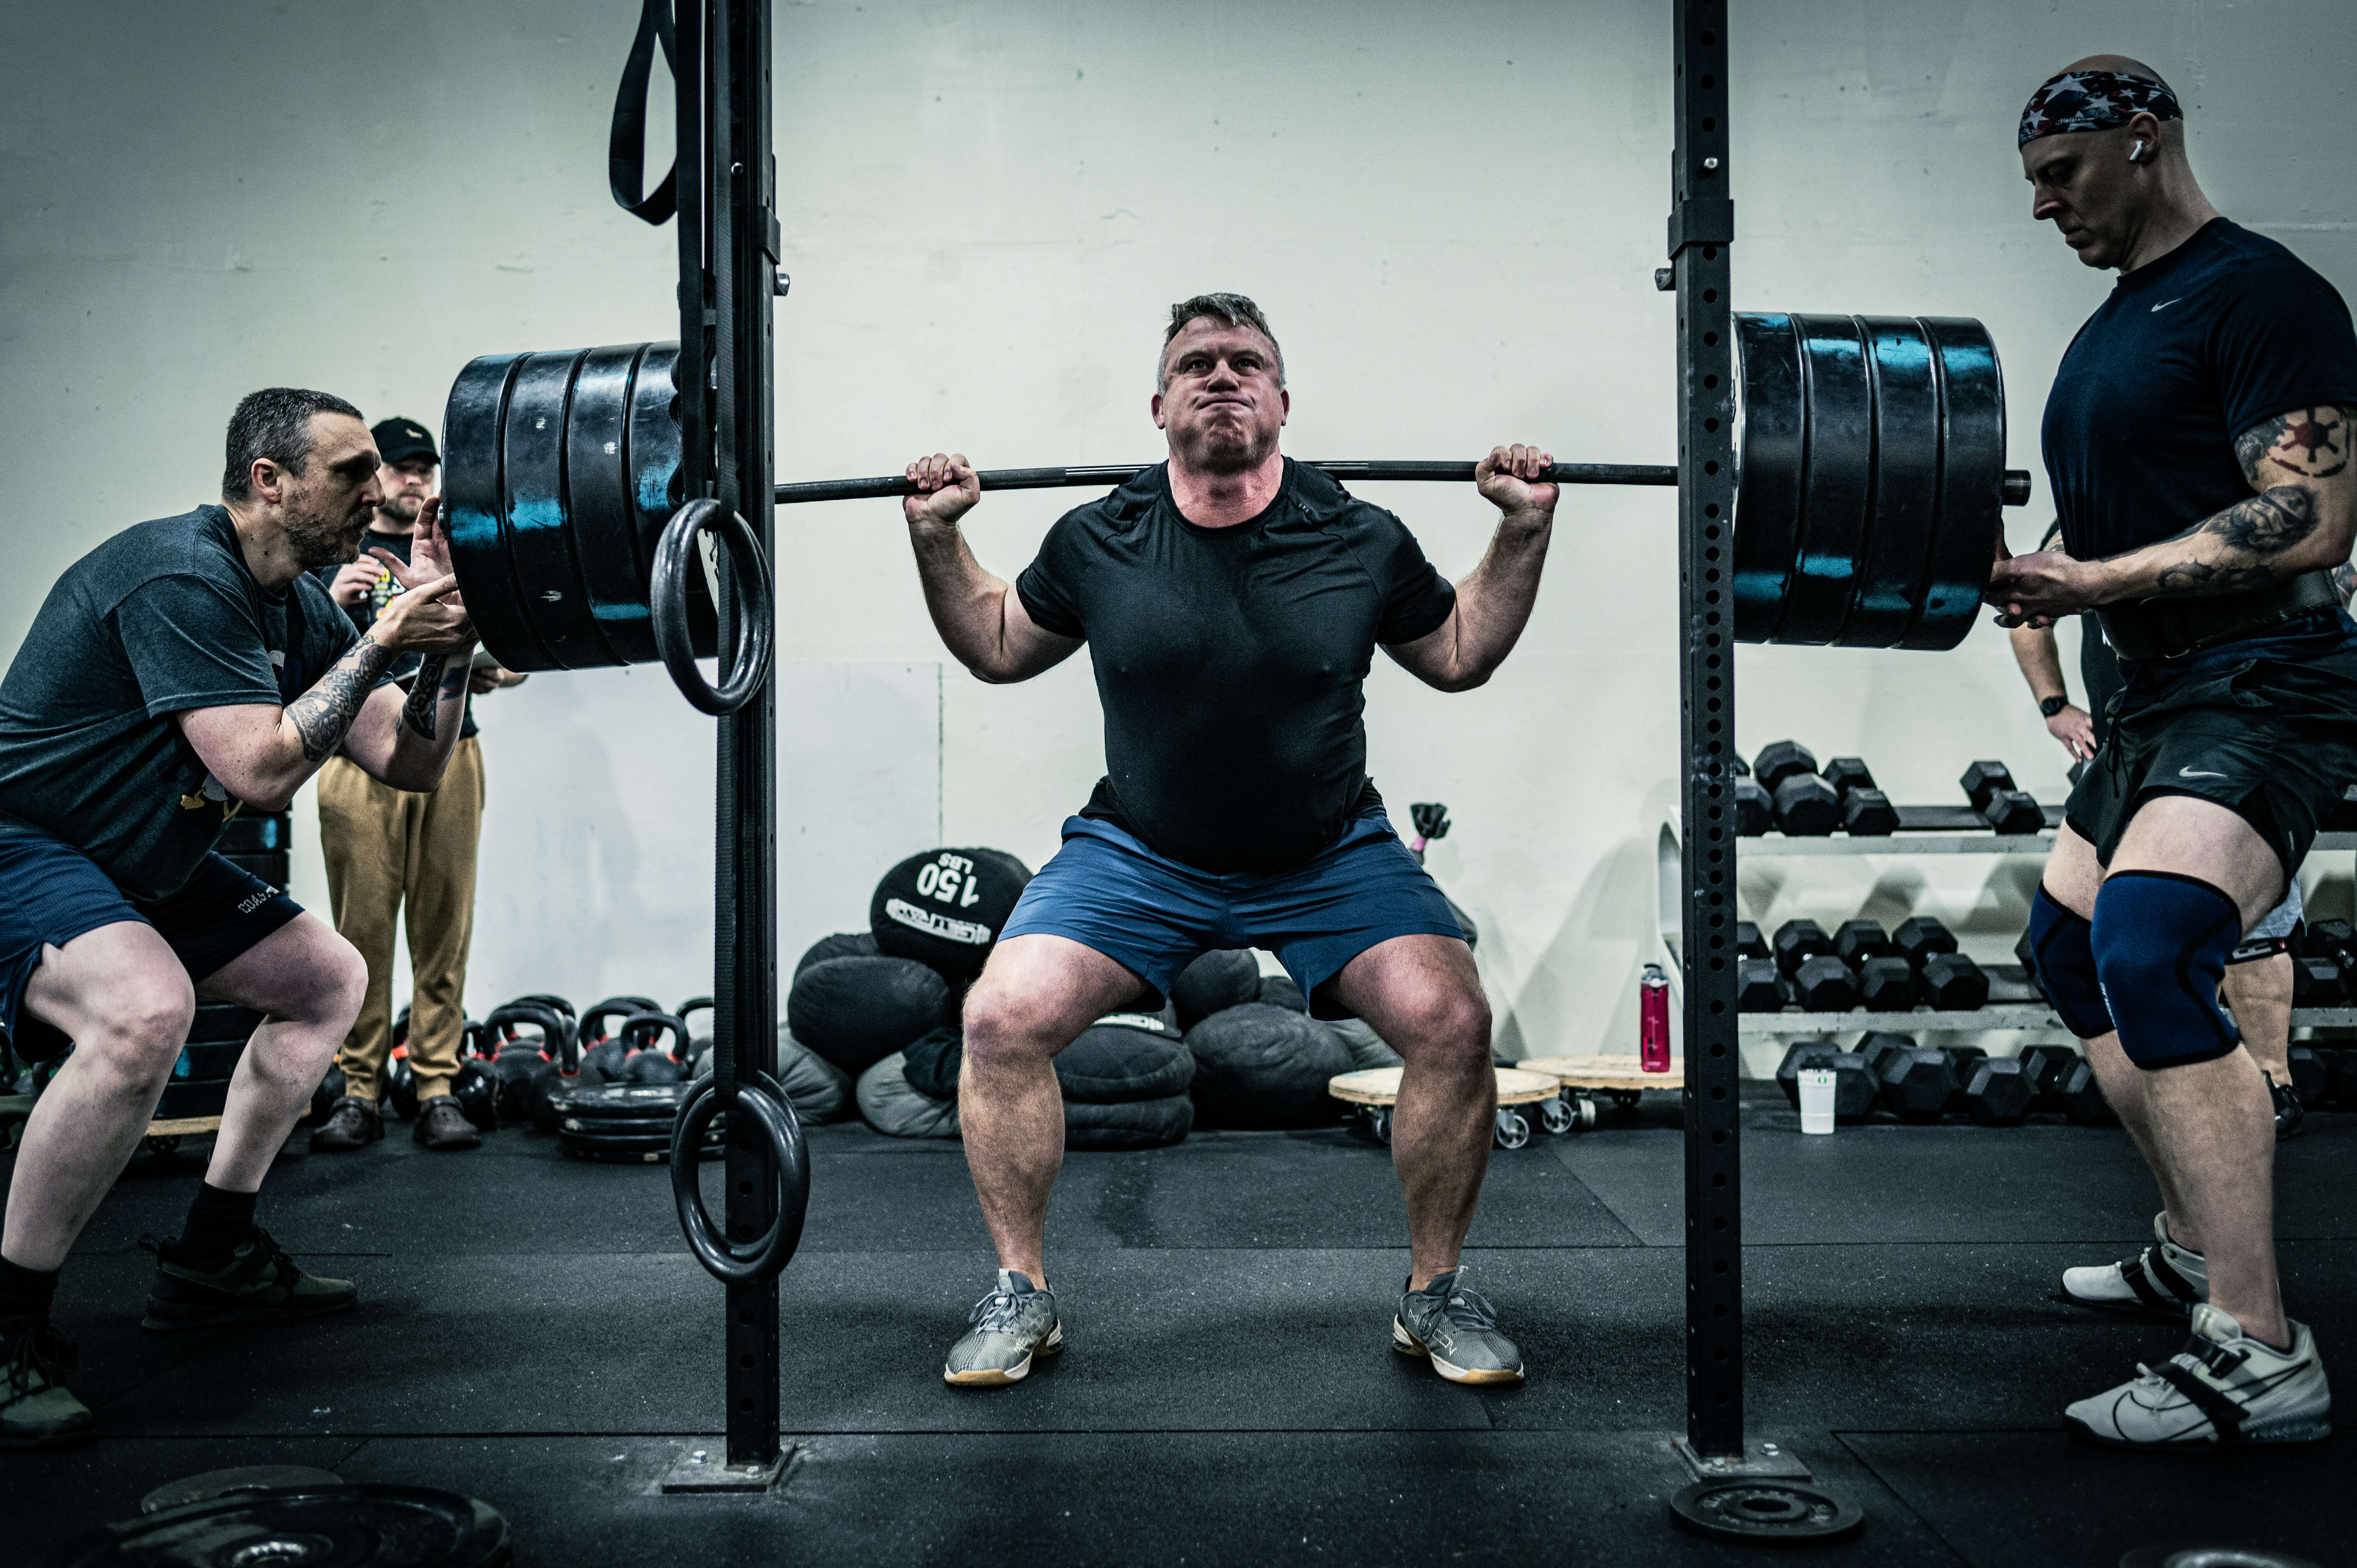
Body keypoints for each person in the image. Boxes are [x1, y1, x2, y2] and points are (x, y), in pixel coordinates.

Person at [901, 293, 1554, 1389]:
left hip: (1328, 851)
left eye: (1246, 362)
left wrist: (1522, 529)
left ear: (1283, 403)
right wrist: (939, 538)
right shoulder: (1100, 538)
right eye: (1196, 363)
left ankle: (1435, 1295)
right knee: (1000, 1018)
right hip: (1142, 853)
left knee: (1453, 1017)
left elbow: (1455, 651)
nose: (1222, 376)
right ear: (1158, 406)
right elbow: (1000, 643)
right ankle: (1023, 1293)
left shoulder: (1357, 535)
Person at [1989, 57, 2355, 1449]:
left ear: (2138, 143)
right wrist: (2040, 577)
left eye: (2057, 179)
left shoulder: (2260, 295)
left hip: (2258, 681)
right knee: (2067, 949)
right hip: (2142, 700)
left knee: (2147, 941)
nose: (2040, 209)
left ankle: (2257, 1348)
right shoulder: (2111, 324)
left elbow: (2305, 517)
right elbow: (2120, 528)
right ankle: (2194, 1242)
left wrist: (2094, 582)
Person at [0, 389, 479, 1447]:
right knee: (142, 1012)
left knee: (328, 981)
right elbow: (261, 773)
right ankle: (8, 1328)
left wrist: (446, 649)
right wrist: (383, 638)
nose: (375, 491)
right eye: (349, 472)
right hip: (25, 845)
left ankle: (213, 1256)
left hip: (144, 857)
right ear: (270, 481)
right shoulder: (180, 575)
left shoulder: (298, 606)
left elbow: (410, 761)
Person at [2007, 521, 2306, 1139]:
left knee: (2252, 930)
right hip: (2129, 740)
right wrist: (2054, 706)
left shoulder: (2231, 509)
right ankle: (2171, 1098)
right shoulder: (2083, 525)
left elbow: (2328, 560)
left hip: (2232, 735)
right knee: (2079, 941)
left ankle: (2273, 1080)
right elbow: (2027, 613)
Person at [309, 417, 526, 1154]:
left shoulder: (459, 552)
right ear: (373, 479)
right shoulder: (334, 557)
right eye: (398, 467)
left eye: (422, 467)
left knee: (445, 924)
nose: (413, 478)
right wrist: (331, 605)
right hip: (356, 760)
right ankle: (359, 1088)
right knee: (360, 931)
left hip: (449, 752)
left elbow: (516, 658)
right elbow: (289, 665)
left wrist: (478, 646)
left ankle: (435, 1081)